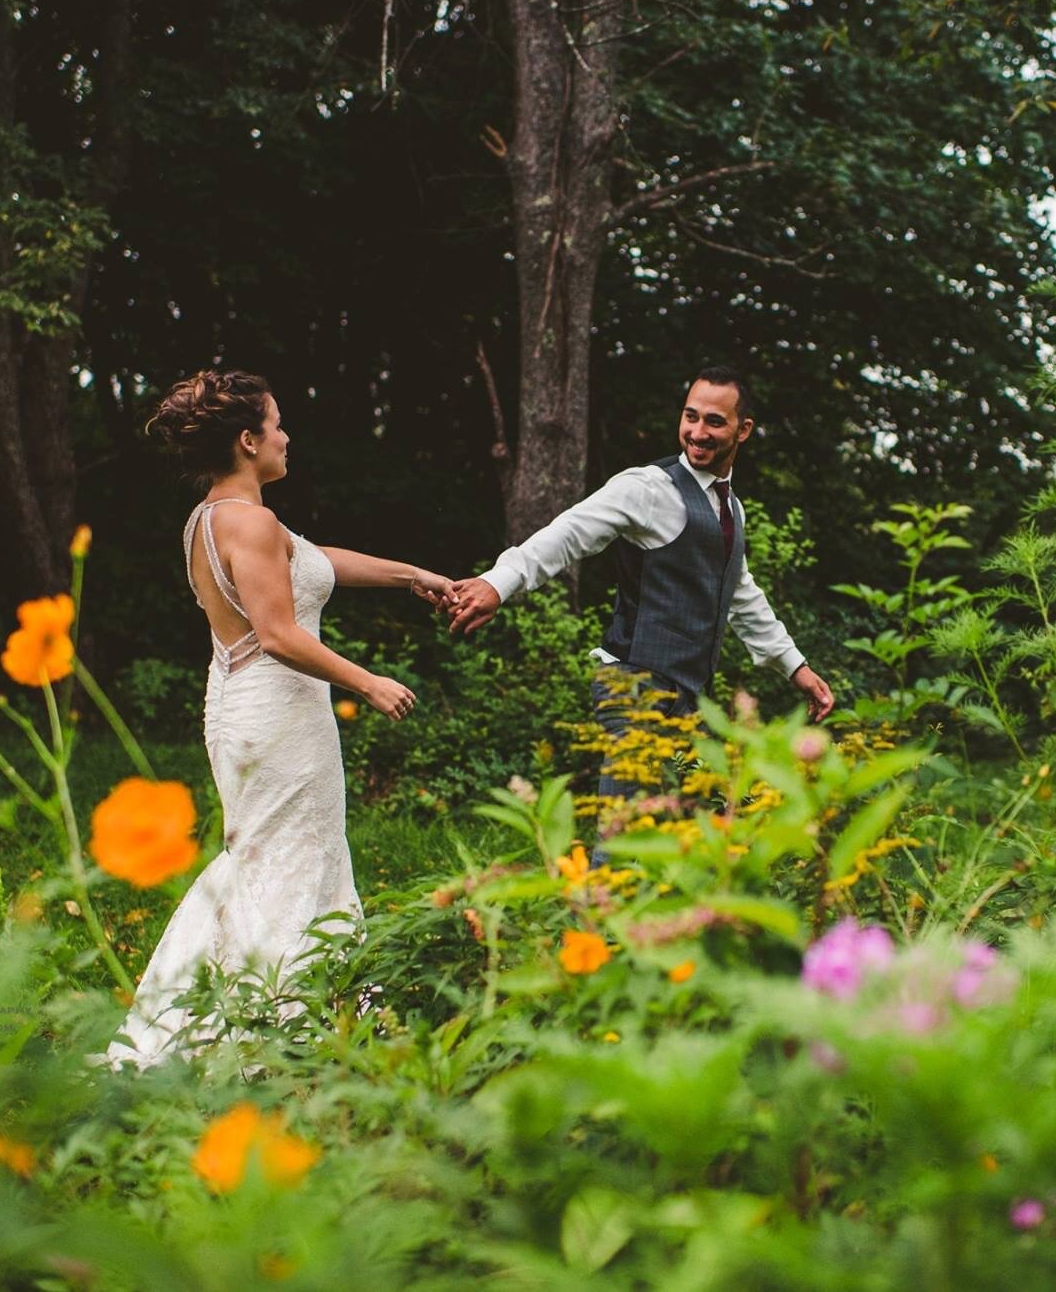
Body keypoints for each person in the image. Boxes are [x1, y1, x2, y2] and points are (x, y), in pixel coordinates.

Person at [93, 369, 449, 1072]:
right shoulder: (248, 521)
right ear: (249, 439)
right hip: (278, 714)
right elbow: (281, 631)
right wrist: (368, 681)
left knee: (267, 859)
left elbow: (315, 564)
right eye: (277, 425)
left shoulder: (216, 516)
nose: (288, 436)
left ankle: (279, 1013)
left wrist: (413, 576)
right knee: (288, 860)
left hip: (243, 708)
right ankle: (279, 1030)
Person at [446, 366, 835, 809]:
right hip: (633, 685)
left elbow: (739, 591)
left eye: (714, 421)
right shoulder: (649, 489)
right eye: (691, 417)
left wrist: (795, 667)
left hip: (687, 698)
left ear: (743, 430)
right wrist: (498, 583)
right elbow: (568, 533)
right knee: (623, 834)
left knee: (713, 824)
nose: (697, 432)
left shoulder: (731, 508)